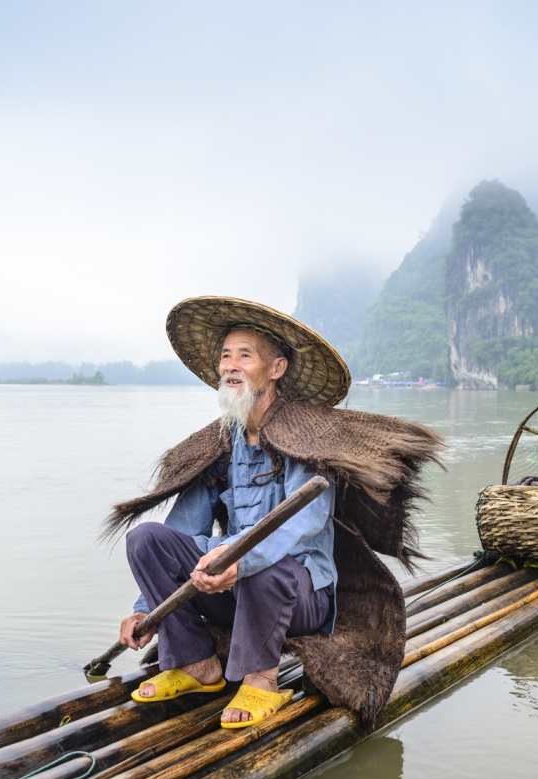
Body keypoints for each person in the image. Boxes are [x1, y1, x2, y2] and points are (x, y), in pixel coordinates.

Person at [106, 296, 443, 729]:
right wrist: (145, 608)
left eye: (244, 356)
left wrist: (241, 560)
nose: (230, 366)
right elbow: (183, 527)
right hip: (230, 589)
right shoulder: (220, 442)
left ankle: (261, 678)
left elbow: (305, 525)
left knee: (267, 567)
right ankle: (196, 664)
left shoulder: (305, 438)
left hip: (298, 596)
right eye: (225, 356)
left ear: (276, 368)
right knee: (147, 540)